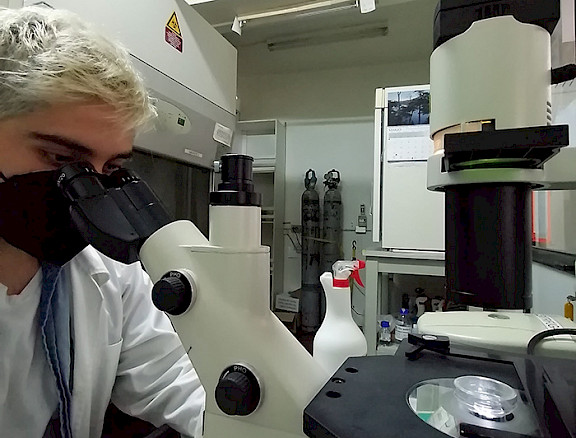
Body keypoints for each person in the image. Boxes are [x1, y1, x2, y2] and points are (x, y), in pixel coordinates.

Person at [0, 6, 205, 437]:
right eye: (60, 159)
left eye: (107, 170)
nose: (84, 191)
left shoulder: (109, 272)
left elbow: (179, 382)